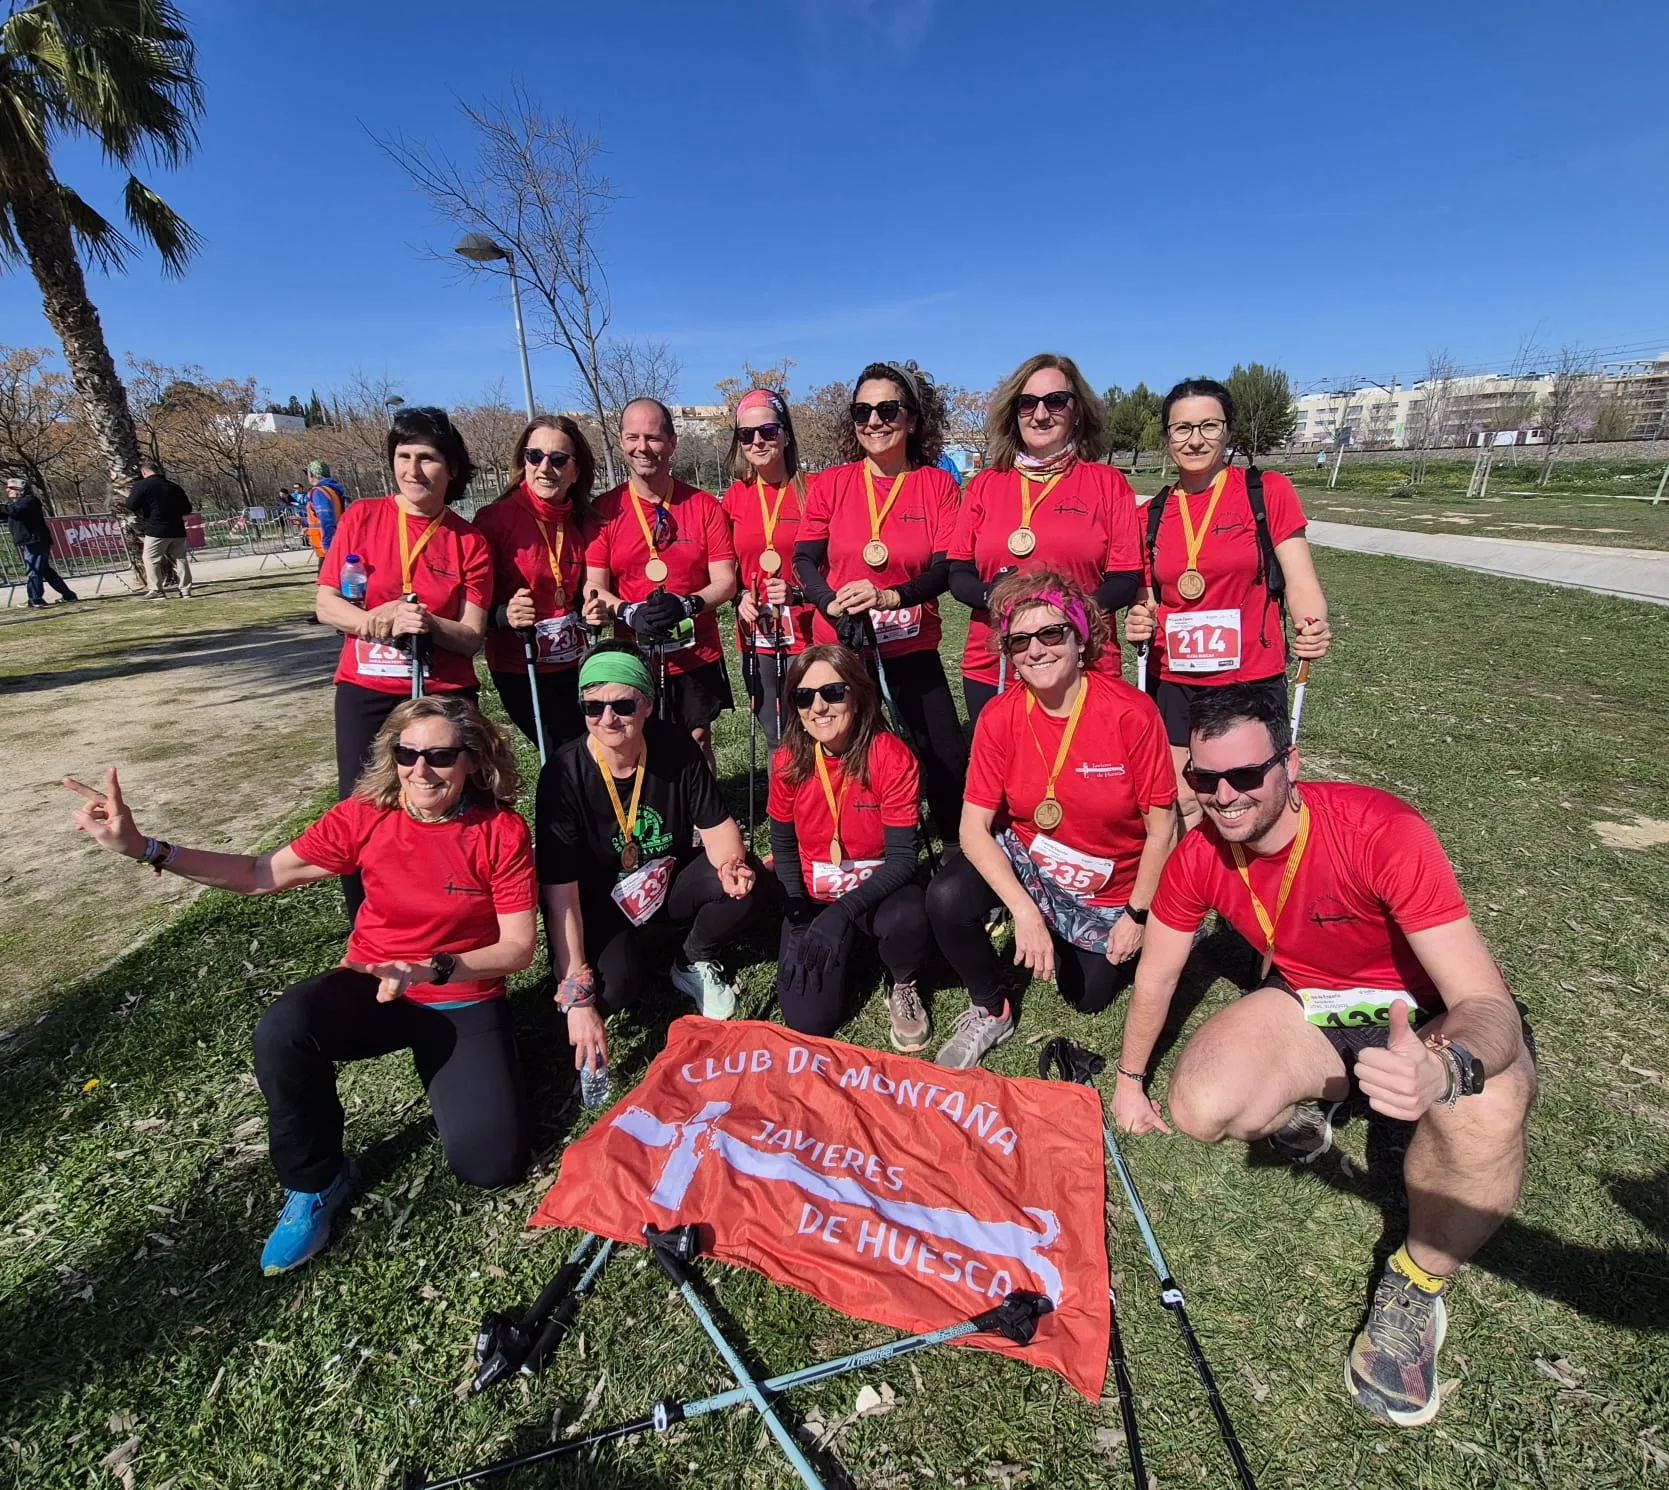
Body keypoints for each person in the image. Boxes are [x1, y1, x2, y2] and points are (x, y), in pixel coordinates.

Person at [1112, 683, 1536, 1428]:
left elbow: (1485, 1004)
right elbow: (1157, 973)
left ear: (1289, 764)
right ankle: (1341, 1090)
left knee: (1485, 1103)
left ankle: (1416, 1283)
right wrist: (1126, 1079)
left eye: (1245, 775)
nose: (1224, 797)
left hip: (1430, 1015)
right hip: (1316, 1006)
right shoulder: (1200, 853)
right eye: (1203, 780)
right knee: (1201, 1105)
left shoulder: (1379, 830)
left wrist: (1446, 1066)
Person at [65, 696, 538, 1275]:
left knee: (490, 1166)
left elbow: (517, 949)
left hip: (459, 993)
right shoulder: (365, 814)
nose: (421, 769)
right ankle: (317, 1179)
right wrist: (145, 849)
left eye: (440, 755)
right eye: (407, 752)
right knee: (285, 1029)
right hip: (370, 986)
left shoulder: (500, 829)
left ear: (472, 761)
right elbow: (261, 874)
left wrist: (430, 968)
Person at [927, 570, 1176, 1070]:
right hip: (1029, 861)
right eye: (1020, 641)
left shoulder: (1132, 713)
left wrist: (1137, 916)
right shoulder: (999, 715)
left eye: (1051, 634)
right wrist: (1023, 910)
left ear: (1081, 638)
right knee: (947, 896)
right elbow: (972, 831)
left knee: (1086, 997)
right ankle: (991, 1006)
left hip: (1108, 886)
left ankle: (1079, 936)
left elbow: (1163, 830)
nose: (1035, 650)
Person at [536, 644, 769, 1081]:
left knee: (743, 884)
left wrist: (731, 866)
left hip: (664, 882)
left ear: (646, 704)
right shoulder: (563, 774)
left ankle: (692, 959)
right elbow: (559, 894)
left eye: (623, 705)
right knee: (612, 990)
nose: (608, 718)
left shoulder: (674, 745)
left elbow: (719, 830)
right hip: (598, 907)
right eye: (593, 706)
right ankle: (638, 953)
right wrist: (577, 991)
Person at [1122, 378, 1331, 830]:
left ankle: (1254, 888)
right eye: (1181, 429)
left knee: (1252, 795)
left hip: (1249, 673)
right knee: (1180, 797)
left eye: (1208, 426)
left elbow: (1300, 579)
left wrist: (1311, 624)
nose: (1195, 439)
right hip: (1174, 679)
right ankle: (1189, 889)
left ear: (1228, 431)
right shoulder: (1150, 515)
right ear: (1166, 437)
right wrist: (1137, 620)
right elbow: (1146, 600)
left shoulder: (1266, 492)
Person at [314, 407, 491, 921]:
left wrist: (429, 624)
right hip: (367, 690)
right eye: (404, 457)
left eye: (428, 458)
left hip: (442, 694)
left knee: (452, 802)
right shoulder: (362, 517)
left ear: (451, 469)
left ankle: (452, 914)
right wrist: (377, 619)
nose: (414, 470)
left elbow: (472, 635)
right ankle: (368, 926)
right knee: (365, 805)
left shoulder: (469, 540)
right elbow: (327, 604)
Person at [793, 361, 965, 840]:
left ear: (911, 419)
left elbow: (947, 568)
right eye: (862, 411)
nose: (874, 420)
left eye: (887, 409)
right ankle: (863, 848)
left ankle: (954, 847)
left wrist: (891, 596)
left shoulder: (937, 485)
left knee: (942, 750)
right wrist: (829, 602)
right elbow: (804, 559)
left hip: (909, 643)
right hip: (843, 646)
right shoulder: (831, 483)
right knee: (852, 749)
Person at [948, 354, 1140, 724]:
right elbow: (958, 573)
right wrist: (999, 598)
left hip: (1085, 659)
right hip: (994, 665)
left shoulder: (1107, 483)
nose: (1040, 414)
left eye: (1055, 401)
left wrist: (1061, 614)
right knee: (1005, 779)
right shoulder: (986, 485)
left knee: (1082, 774)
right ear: (1013, 412)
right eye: (1027, 403)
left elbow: (1125, 579)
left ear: (1077, 411)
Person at [769, 644, 929, 1051]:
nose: (818, 707)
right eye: (803, 697)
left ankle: (903, 981)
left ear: (857, 696)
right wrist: (800, 917)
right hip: (816, 897)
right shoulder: (787, 759)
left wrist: (843, 911)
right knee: (808, 1022)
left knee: (906, 917)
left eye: (833, 693)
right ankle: (846, 951)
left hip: (878, 893)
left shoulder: (891, 757)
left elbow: (903, 859)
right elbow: (784, 847)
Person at [582, 398, 738, 766]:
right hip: (633, 655)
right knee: (636, 744)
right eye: (632, 437)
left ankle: (702, 819)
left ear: (672, 443)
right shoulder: (604, 511)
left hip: (695, 651)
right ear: (621, 441)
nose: (643, 447)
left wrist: (689, 603)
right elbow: (594, 586)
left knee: (697, 739)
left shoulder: (703, 506)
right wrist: (628, 610)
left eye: (653, 438)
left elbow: (726, 582)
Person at [474, 415, 599, 754]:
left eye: (558, 459)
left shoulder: (581, 521)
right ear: (523, 462)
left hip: (574, 662)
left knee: (586, 750)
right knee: (561, 751)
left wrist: (587, 607)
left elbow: (582, 589)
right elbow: (467, 605)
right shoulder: (494, 521)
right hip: (521, 664)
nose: (545, 467)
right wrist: (504, 615)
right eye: (535, 456)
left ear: (575, 471)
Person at [719, 389, 816, 748]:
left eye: (768, 431)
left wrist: (800, 592)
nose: (757, 440)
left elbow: (835, 565)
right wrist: (741, 596)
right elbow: (727, 570)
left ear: (785, 434)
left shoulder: (814, 491)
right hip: (758, 635)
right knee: (776, 734)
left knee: (818, 729)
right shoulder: (734, 497)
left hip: (809, 632)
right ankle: (785, 804)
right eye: (746, 434)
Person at [2, 475, 78, 607]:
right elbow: (7, 513)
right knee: (44, 570)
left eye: (10, 488)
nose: (7, 491)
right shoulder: (17, 504)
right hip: (29, 541)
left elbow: (15, 511)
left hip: (35, 541)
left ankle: (35, 599)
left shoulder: (29, 501)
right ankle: (68, 595)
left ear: (20, 489)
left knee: (34, 570)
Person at [126, 457, 194, 598]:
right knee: (180, 559)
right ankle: (186, 590)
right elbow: (187, 508)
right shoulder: (174, 486)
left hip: (156, 528)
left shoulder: (142, 486)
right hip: (177, 529)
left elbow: (131, 504)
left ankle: (157, 590)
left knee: (150, 559)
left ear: (144, 472)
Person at [304, 460, 345, 564]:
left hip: (326, 546)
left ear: (312, 474)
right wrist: (303, 521)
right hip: (334, 541)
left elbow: (326, 518)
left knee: (326, 579)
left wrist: (328, 544)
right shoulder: (332, 490)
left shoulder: (319, 492)